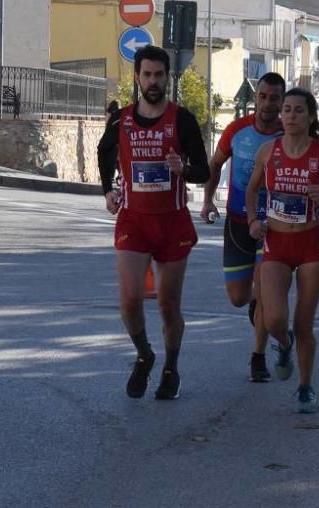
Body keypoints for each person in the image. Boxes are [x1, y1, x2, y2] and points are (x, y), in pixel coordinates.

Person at [97, 45, 209, 401]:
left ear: (167, 77)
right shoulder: (122, 120)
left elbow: (204, 171)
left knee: (167, 305)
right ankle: (144, 354)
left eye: (159, 75)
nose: (153, 81)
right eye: (147, 74)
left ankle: (171, 366)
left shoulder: (182, 120)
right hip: (134, 221)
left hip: (172, 223)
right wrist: (108, 191)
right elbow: (104, 153)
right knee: (130, 300)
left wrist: (183, 170)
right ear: (137, 77)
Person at [246, 88, 319, 413]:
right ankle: (284, 344)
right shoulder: (268, 151)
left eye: (298, 110)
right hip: (276, 243)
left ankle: (305, 386)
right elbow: (252, 190)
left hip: (310, 247)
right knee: (275, 318)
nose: (290, 115)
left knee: (304, 323)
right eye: (286, 110)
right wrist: (253, 220)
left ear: (310, 117)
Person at [200, 72, 285, 383]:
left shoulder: (288, 135)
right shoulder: (237, 130)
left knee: (264, 291)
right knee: (238, 297)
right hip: (238, 221)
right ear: (256, 98)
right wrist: (208, 201)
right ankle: (253, 303)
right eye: (262, 96)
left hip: (273, 226)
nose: (267, 104)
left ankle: (258, 357)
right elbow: (215, 164)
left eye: (274, 98)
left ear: (282, 101)